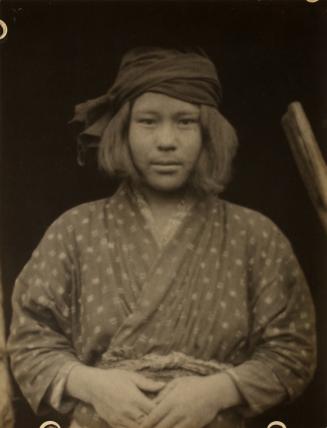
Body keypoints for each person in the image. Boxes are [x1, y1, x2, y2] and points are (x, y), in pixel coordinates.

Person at [8, 47, 316, 428]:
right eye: (148, 122)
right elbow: (28, 339)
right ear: (122, 130)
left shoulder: (257, 237)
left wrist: (218, 391)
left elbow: (293, 350)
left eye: (185, 122)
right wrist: (92, 385)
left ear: (209, 133)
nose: (166, 140)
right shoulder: (74, 231)